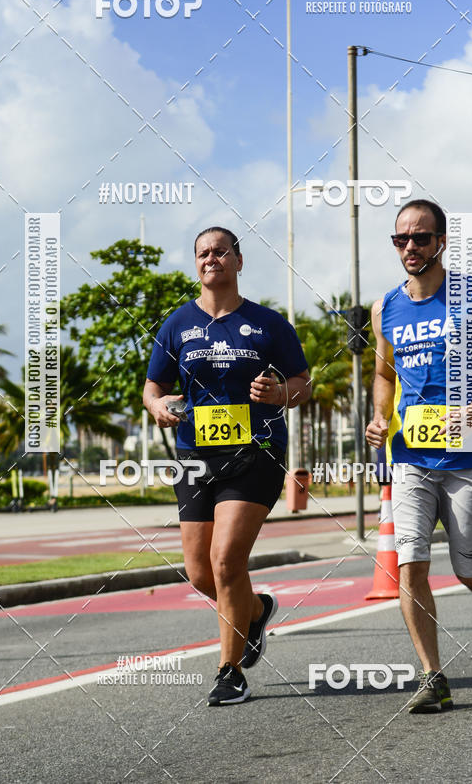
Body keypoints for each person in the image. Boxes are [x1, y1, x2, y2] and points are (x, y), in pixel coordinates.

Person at [365, 199, 472, 714]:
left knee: (468, 568)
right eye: (400, 239)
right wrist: (379, 416)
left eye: (420, 238)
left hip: (467, 456)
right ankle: (432, 677)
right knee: (411, 564)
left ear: (441, 241)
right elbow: (384, 375)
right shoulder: (385, 308)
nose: (409, 247)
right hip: (410, 456)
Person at [143, 226, 310, 706]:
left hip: (255, 453)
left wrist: (280, 393)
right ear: (195, 264)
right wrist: (157, 406)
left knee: (225, 561)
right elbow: (153, 389)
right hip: (194, 455)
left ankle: (229, 670)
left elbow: (303, 384)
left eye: (220, 251)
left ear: (239, 261)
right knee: (200, 574)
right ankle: (254, 613)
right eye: (202, 253)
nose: (211, 258)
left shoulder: (268, 324)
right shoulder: (177, 325)